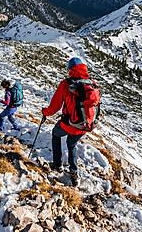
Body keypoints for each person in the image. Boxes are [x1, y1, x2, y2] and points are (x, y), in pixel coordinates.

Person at [42, 57, 95, 186]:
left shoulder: (66, 84)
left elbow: (55, 107)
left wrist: (45, 112)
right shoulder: (91, 83)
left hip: (69, 124)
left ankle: (57, 164)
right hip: (85, 125)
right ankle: (73, 171)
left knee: (56, 134)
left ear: (70, 69)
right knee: (72, 145)